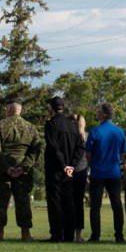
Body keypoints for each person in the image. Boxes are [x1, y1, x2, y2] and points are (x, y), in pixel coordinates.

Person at [0, 98, 43, 242]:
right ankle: (25, 233)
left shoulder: (0, 125)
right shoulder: (30, 127)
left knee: (0, 202)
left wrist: (7, 168)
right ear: (20, 110)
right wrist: (23, 167)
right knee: (23, 201)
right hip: (23, 172)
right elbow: (36, 150)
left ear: (8, 109)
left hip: (2, 170)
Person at [85, 102, 126, 243]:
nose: (96, 113)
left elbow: (88, 153)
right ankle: (119, 235)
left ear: (103, 115)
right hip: (114, 172)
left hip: (98, 172)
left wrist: (93, 164)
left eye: (98, 111)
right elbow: (123, 153)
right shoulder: (120, 132)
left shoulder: (95, 131)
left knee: (95, 206)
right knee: (117, 205)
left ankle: (95, 235)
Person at [43, 96, 85, 242]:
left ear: (51, 108)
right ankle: (69, 235)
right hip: (69, 171)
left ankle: (56, 234)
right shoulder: (73, 125)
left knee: (55, 202)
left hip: (56, 168)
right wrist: (71, 165)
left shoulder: (51, 124)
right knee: (69, 202)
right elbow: (80, 147)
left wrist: (63, 165)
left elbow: (53, 147)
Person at [71, 113, 89, 242]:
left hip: (69, 170)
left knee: (67, 203)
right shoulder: (86, 136)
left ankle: (67, 232)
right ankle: (77, 235)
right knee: (78, 204)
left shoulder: (68, 135)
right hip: (82, 170)